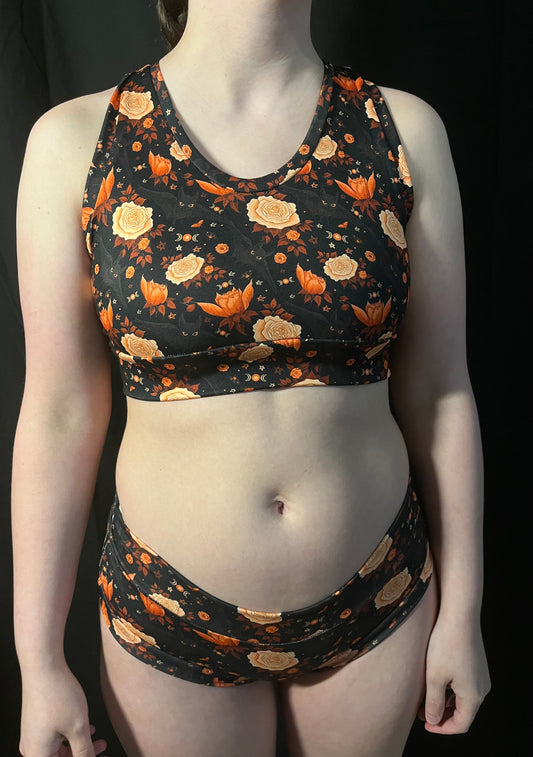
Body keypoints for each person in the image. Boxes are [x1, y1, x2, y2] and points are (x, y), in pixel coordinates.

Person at [12, 0, 491, 755]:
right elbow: (58, 412)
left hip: (377, 597)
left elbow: (441, 392)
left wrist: (464, 608)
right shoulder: (76, 141)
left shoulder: (401, 130)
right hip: (169, 610)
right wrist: (37, 660)